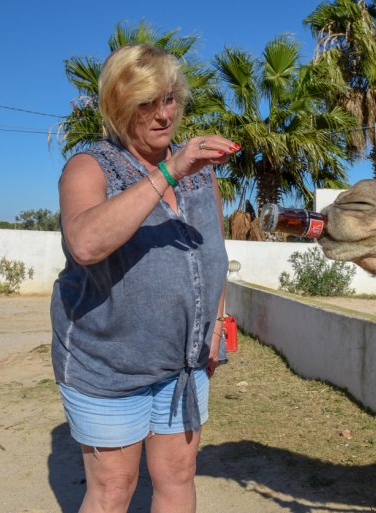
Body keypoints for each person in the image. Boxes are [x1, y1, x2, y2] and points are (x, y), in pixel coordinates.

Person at [50, 43, 239, 513]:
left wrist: (215, 325)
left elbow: (212, 252)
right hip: (107, 367)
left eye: (170, 99)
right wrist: (170, 171)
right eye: (146, 103)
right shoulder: (89, 167)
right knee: (114, 489)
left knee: (177, 476)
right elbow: (87, 243)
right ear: (118, 107)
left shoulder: (202, 175)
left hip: (182, 364)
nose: (163, 115)